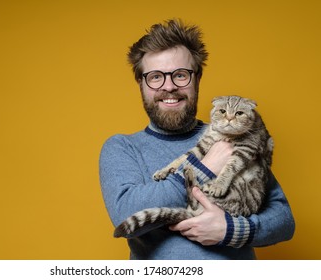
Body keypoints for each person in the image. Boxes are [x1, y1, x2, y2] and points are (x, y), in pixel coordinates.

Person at [99, 19, 295, 260]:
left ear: (197, 78)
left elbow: (284, 219)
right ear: (141, 83)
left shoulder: (236, 138)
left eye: (180, 75)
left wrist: (230, 230)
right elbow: (125, 215)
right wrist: (205, 167)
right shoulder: (122, 148)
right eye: (155, 77)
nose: (169, 86)